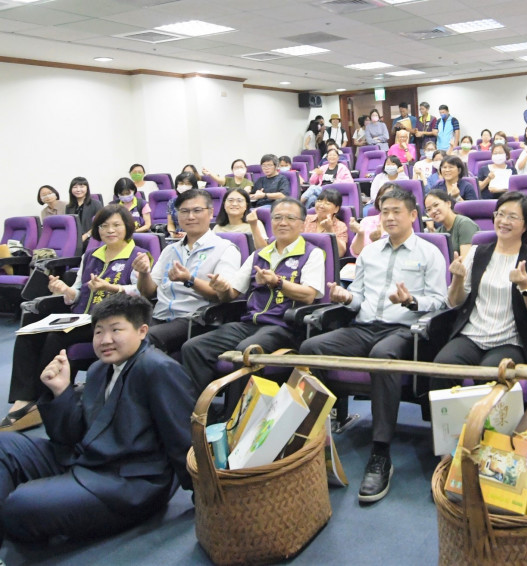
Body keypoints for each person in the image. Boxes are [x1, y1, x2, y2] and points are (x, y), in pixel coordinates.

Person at [0, 294, 193, 566]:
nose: (105, 339)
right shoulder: (100, 369)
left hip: (128, 483)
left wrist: (205, 496)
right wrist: (61, 391)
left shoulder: (158, 368)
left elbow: (183, 438)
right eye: (99, 331)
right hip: (85, 458)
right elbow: (70, 436)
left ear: (142, 331)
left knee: (19, 506)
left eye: (116, 330)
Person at [298, 186, 447, 503]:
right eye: (385, 211)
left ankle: (381, 453)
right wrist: (346, 297)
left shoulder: (429, 253)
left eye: (397, 211)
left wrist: (411, 301)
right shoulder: (369, 251)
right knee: (310, 349)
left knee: (383, 356)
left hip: (404, 330)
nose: (390, 217)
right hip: (364, 326)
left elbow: (440, 302)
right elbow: (360, 298)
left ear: (413, 216)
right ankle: (316, 435)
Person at [0, 205, 147, 432]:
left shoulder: (139, 256)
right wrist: (64, 289)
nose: (110, 230)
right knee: (29, 331)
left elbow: (142, 293)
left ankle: (45, 399)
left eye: (116, 225)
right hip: (81, 317)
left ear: (127, 227)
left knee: (56, 337)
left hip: (113, 321)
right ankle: (24, 399)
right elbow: (77, 292)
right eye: (104, 226)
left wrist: (111, 287)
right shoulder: (90, 256)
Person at [181, 199, 326, 394]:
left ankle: (236, 418)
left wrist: (278, 282)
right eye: (277, 218)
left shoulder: (312, 254)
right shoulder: (259, 254)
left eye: (290, 218)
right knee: (193, 347)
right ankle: (197, 412)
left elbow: (309, 295)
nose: (282, 223)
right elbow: (232, 293)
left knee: (246, 350)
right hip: (249, 324)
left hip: (284, 327)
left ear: (302, 223)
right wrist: (222, 288)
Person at [437, 191, 527, 374]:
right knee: (442, 367)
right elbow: (454, 302)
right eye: (500, 214)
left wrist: (525, 287)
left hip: (510, 341)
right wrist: (458, 280)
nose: (504, 221)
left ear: (526, 225)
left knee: (490, 374)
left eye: (512, 217)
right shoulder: (476, 253)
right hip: (471, 335)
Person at [135, 188, 241, 354]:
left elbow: (221, 295)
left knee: (144, 339)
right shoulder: (170, 250)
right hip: (159, 314)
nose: (190, 217)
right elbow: (147, 292)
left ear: (211, 212)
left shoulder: (225, 249)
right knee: (119, 333)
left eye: (197, 210)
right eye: (184, 211)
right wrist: (143, 273)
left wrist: (189, 280)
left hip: (194, 318)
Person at [423, 189, 478, 256]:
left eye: (436, 205)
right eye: (429, 209)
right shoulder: (439, 232)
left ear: (448, 203)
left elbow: (466, 263)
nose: (433, 211)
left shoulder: (465, 225)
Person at [304, 188, 349, 256]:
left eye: (327, 203)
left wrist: (330, 230)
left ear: (336, 209)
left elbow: (340, 253)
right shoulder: (306, 219)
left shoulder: (340, 226)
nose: (321, 206)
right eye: (319, 201)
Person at [65, 177, 103, 246]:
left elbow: (100, 223)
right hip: (74, 240)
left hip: (92, 239)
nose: (78, 190)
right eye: (75, 187)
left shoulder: (96, 204)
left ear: (87, 188)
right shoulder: (69, 207)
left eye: (81, 186)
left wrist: (86, 235)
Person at [165, 172, 198, 238]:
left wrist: (187, 235)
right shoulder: (172, 202)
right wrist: (173, 234)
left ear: (193, 186)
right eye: (181, 183)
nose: (184, 186)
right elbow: (170, 224)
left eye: (187, 184)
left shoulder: (199, 202)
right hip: (176, 237)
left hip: (195, 236)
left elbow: (202, 224)